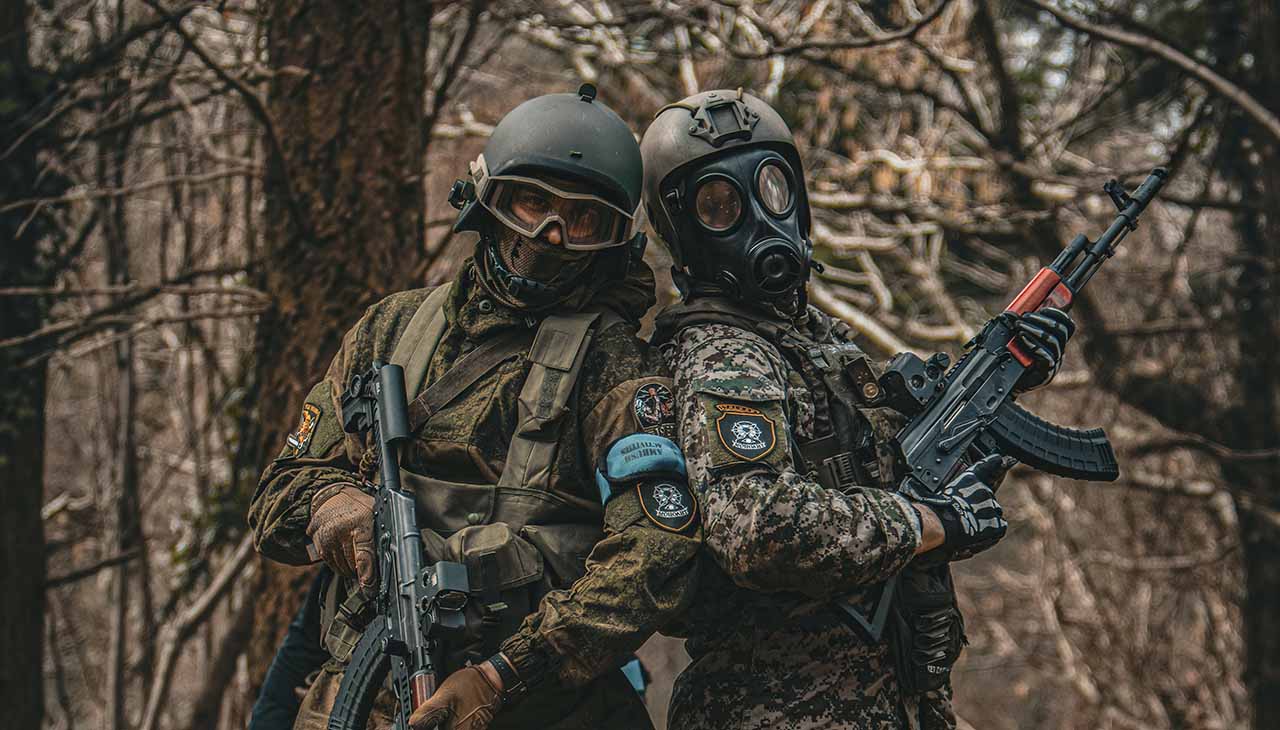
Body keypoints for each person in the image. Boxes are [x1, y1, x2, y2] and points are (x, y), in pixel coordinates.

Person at [248, 84, 701, 730]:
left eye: (580, 219)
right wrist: (332, 502)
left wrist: (506, 672)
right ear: (488, 198)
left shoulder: (616, 368)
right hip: (362, 697)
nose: (549, 234)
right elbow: (279, 491)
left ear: (613, 238)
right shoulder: (394, 330)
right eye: (532, 202)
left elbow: (657, 554)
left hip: (538, 706)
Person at [638, 89, 1075, 729]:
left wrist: (1002, 382)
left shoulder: (808, 340)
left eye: (772, 188)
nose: (761, 218)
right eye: (720, 206)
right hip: (780, 708)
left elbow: (887, 474)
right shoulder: (724, 354)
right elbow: (757, 526)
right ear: (683, 232)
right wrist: (928, 523)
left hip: (873, 701)